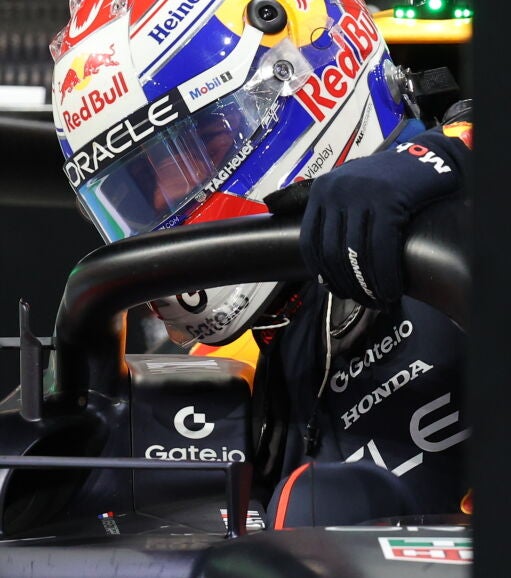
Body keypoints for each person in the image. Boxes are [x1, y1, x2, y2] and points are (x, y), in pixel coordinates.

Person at [50, 0, 471, 526]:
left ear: (308, 79)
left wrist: (458, 155)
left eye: (194, 152)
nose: (163, 201)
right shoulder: (231, 360)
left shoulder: (489, 212)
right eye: (137, 189)